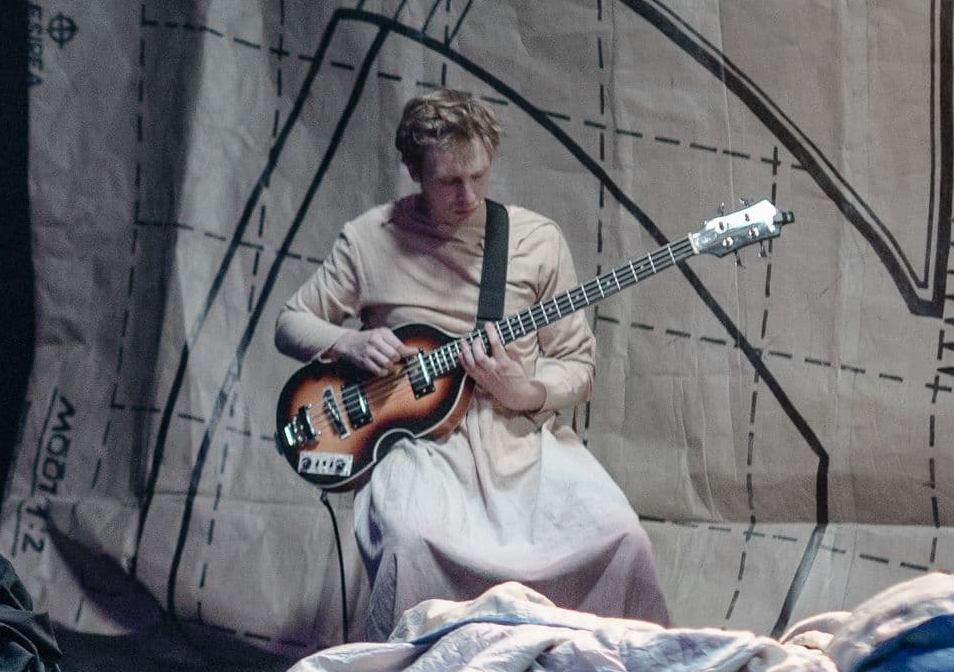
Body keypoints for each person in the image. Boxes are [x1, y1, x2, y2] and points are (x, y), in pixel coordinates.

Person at [271, 87, 671, 635]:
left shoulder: (535, 240)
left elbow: (576, 362)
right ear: (414, 172)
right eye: (449, 181)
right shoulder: (369, 239)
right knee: (409, 543)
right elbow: (291, 322)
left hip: (519, 438)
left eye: (479, 176)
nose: (467, 195)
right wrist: (349, 344)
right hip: (419, 446)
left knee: (623, 537)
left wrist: (525, 391)